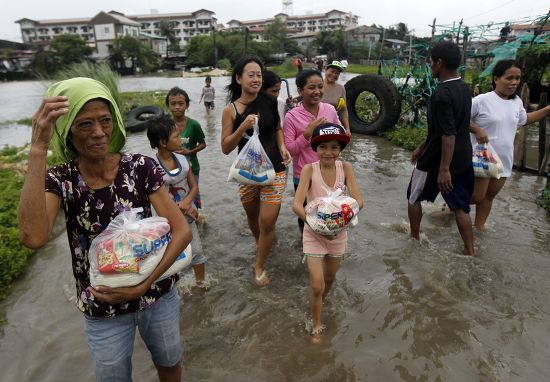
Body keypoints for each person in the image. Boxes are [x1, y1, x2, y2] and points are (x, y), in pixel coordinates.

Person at [18, 77, 191, 381]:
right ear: (67, 130)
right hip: (102, 305)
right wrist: (37, 147)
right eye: (85, 124)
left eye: (105, 121)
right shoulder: (61, 179)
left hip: (157, 293)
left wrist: (143, 284)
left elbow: (182, 232)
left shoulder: (139, 167)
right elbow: (33, 237)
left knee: (169, 363)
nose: (99, 133)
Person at [221, 56, 291, 286]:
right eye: (250, 75)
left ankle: (259, 265)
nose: (256, 79)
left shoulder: (269, 101)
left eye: (259, 75)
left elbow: (278, 128)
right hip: (248, 172)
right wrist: (242, 126)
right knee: (253, 217)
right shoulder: (230, 110)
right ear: (238, 78)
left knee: (267, 221)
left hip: (275, 169)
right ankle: (262, 244)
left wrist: (282, 146)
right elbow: (225, 148)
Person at [292, 123, 363, 342]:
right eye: (323, 147)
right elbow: (297, 205)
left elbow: (359, 201)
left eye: (334, 147)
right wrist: (316, 225)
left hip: (337, 234)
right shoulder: (308, 170)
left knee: (329, 279)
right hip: (313, 234)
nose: (328, 152)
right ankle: (316, 324)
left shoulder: (346, 168)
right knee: (316, 283)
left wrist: (340, 223)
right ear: (315, 148)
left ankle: (318, 302)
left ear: (340, 149)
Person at [407, 41, 475, 256]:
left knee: (413, 197)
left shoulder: (441, 94)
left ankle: (414, 241)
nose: (431, 67)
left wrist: (444, 169)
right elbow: (448, 127)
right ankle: (469, 251)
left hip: (439, 159)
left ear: (439, 63)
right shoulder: (464, 88)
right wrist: (421, 145)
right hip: (463, 157)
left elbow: (448, 134)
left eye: (431, 62)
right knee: (460, 206)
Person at [469, 59, 550, 230]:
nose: (514, 83)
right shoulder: (481, 100)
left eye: (517, 78)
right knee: (477, 197)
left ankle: (478, 229)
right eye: (509, 78)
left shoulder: (516, 102)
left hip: (504, 159)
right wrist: (476, 129)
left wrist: (548, 109)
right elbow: (459, 119)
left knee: (488, 198)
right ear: (496, 79)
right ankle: (452, 207)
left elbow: (524, 119)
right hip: (482, 157)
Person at [147, 115, 208, 288]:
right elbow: (156, 197)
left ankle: (201, 284)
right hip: (166, 219)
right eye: (175, 136)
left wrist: (188, 203)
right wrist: (181, 208)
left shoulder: (183, 158)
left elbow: (193, 187)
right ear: (163, 142)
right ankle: (174, 285)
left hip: (189, 212)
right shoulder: (152, 167)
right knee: (171, 254)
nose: (180, 139)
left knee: (196, 251)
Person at [284, 69, 341, 232]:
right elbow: (290, 151)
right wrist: (307, 134)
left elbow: (340, 138)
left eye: (320, 87)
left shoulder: (329, 110)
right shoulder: (292, 116)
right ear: (300, 91)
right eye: (311, 88)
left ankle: (329, 247)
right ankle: (306, 249)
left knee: (331, 214)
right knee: (307, 217)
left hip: (330, 172)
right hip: (303, 175)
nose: (317, 92)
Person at [166, 86, 206, 209]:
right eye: (173, 104)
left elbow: (203, 144)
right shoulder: (166, 125)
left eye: (181, 103)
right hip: (173, 169)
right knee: (176, 196)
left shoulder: (194, 125)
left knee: (193, 195)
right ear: (168, 106)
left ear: (187, 105)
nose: (177, 107)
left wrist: (190, 151)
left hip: (192, 167)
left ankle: (197, 218)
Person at [322, 60, 351, 135]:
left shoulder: (341, 88)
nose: (334, 74)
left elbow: (343, 111)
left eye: (337, 73)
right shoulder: (317, 84)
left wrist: (347, 129)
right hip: (314, 123)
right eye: (332, 71)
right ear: (325, 70)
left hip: (332, 125)